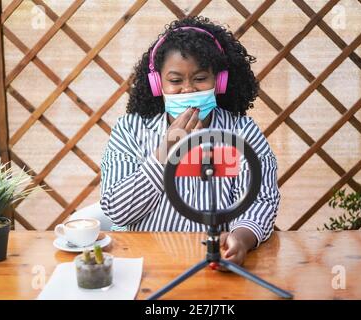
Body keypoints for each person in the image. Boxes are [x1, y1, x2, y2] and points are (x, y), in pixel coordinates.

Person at [100, 16, 280, 269]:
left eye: (200, 78)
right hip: (146, 265)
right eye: (175, 81)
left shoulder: (242, 132)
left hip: (214, 264)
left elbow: (261, 201)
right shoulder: (130, 130)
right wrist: (166, 151)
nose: (188, 90)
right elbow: (118, 210)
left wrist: (241, 237)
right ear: (157, 84)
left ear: (219, 81)